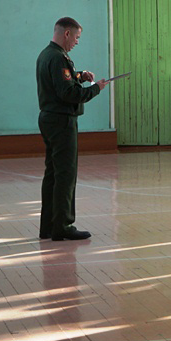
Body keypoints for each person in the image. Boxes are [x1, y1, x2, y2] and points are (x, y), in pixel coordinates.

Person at [36, 17, 110, 241]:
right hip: (62, 121)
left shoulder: (47, 54)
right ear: (66, 33)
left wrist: (79, 76)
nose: (77, 42)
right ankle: (64, 225)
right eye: (76, 37)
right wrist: (95, 89)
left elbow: (61, 82)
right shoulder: (58, 58)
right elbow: (67, 93)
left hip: (50, 119)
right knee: (65, 174)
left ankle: (48, 225)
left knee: (53, 174)